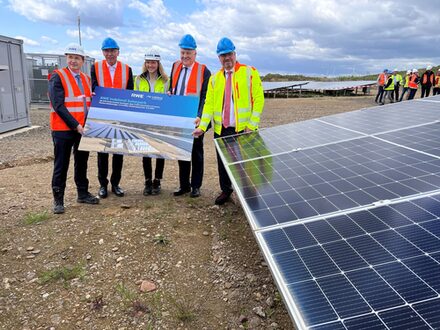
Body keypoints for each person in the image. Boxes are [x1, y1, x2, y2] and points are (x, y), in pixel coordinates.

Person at [193, 37, 264, 205]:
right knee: (223, 163)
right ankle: (226, 191)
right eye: (223, 55)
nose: (227, 58)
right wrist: (202, 127)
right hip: (222, 129)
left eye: (229, 54)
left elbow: (259, 99)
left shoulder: (249, 72)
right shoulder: (215, 79)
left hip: (243, 129)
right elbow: (208, 105)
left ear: (235, 53)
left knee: (245, 164)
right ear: (219, 58)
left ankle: (249, 194)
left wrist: (251, 125)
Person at [48, 43, 99, 214]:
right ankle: (58, 200)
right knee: (61, 164)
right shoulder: (58, 76)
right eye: (70, 57)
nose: (73, 61)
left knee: (82, 162)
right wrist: (75, 125)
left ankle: (82, 193)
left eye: (76, 58)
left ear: (83, 60)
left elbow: (87, 102)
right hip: (63, 129)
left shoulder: (85, 79)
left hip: (82, 129)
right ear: (66, 58)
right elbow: (58, 105)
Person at [168, 34, 211, 198]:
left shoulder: (203, 70)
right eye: (183, 52)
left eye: (188, 53)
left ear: (195, 53)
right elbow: (174, 88)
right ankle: (184, 185)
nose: (185, 56)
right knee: (182, 152)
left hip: (196, 119)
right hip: (180, 117)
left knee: (196, 153)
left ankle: (196, 186)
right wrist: (169, 93)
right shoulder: (175, 66)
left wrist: (201, 117)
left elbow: (206, 97)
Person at [91, 37, 134, 198]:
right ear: (103, 52)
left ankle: (116, 183)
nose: (110, 54)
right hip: (101, 116)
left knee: (118, 152)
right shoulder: (95, 67)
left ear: (118, 52)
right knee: (102, 152)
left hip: (120, 117)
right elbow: (93, 88)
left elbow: (130, 93)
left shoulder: (126, 69)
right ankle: (103, 185)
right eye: (107, 51)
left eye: (112, 51)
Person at [134, 49, 169, 195]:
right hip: (145, 121)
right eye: (148, 62)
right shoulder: (138, 79)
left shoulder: (166, 80)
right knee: (146, 152)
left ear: (158, 63)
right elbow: (135, 98)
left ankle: (157, 181)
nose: (150, 65)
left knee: (160, 152)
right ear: (145, 63)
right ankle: (148, 181)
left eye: (153, 62)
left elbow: (169, 100)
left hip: (160, 122)